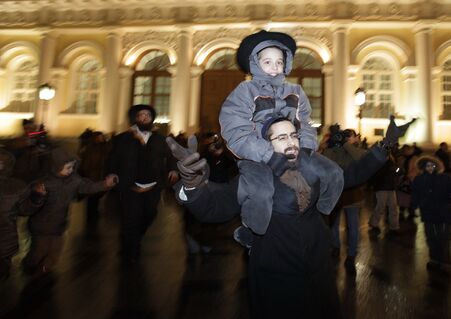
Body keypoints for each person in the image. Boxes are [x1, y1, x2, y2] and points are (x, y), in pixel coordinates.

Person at [167, 115, 412, 319]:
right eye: (282, 137)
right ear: (266, 144)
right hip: (275, 277)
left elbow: (353, 174)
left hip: (319, 271)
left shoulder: (314, 167)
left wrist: (387, 143)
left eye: (293, 135)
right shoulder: (254, 176)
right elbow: (215, 207)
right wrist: (193, 186)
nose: (291, 142)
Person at [219, 30, 342, 246]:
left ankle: (318, 214)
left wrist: (305, 148)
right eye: (268, 61)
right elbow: (235, 131)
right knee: (261, 192)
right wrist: (267, 155)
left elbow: (304, 122)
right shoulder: (245, 91)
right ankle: (253, 231)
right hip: (257, 157)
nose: (275, 67)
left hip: (294, 150)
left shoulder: (295, 91)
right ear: (256, 64)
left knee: (334, 173)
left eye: (279, 61)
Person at [22, 147, 117, 275]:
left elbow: (88, 186)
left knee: (56, 251)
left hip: (58, 226)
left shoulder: (74, 180)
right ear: (56, 166)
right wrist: (37, 195)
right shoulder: (45, 183)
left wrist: (105, 184)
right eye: (67, 167)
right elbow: (28, 204)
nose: (71, 170)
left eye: (72, 167)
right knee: (39, 250)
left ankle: (44, 270)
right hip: (41, 227)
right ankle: (29, 264)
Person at [107, 104, 178, 263]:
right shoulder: (122, 138)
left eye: (148, 115)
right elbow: (113, 159)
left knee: (149, 214)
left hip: (152, 185)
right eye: (141, 115)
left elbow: (171, 156)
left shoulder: (160, 139)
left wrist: (173, 169)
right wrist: (111, 173)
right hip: (130, 185)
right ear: (135, 118)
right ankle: (129, 250)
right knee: (130, 218)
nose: (145, 117)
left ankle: (135, 237)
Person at [322, 126, 366, 274]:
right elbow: (326, 161)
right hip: (336, 193)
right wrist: (332, 144)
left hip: (352, 194)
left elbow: (362, 159)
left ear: (356, 138)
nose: (347, 138)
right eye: (344, 135)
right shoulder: (336, 150)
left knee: (353, 226)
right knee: (333, 225)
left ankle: (351, 254)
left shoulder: (357, 150)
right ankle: (335, 246)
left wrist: (347, 144)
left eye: (350, 135)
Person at [0, 148, 46, 279]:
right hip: (7, 239)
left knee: (3, 271)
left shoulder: (16, 186)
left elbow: (25, 209)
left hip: (5, 239)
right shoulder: (17, 186)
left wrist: (37, 197)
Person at [411, 156, 451, 272]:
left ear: (437, 166)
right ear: (423, 167)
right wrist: (414, 206)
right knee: (431, 236)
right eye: (427, 165)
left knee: (444, 238)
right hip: (428, 212)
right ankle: (434, 259)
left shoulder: (446, 178)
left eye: (432, 165)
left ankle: (445, 261)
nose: (430, 168)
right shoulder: (419, 179)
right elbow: (415, 194)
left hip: (444, 213)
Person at [368, 153, 400, 234]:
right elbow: (374, 175)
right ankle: (374, 223)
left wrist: (397, 171)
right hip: (381, 187)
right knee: (381, 207)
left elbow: (396, 171)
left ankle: (394, 227)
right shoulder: (379, 162)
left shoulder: (391, 162)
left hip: (390, 187)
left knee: (393, 207)